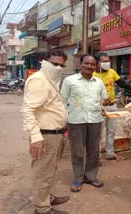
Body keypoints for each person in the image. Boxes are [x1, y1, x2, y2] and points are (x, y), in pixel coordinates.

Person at [21, 50, 69, 214]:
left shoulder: (51, 80)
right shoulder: (39, 80)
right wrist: (36, 137)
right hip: (44, 136)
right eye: (54, 64)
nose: (58, 68)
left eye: (61, 65)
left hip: (55, 134)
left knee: (50, 170)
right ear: (44, 61)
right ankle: (42, 209)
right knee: (42, 173)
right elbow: (28, 110)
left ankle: (48, 198)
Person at [61, 54, 108, 193]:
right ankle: (77, 178)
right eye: (86, 63)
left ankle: (91, 176)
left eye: (92, 64)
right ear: (80, 64)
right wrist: (63, 121)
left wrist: (103, 104)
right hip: (76, 120)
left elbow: (103, 98)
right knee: (77, 151)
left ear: (96, 66)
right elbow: (62, 101)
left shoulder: (99, 82)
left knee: (94, 151)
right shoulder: (69, 80)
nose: (89, 66)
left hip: (95, 120)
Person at [93, 52, 131, 160]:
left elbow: (121, 82)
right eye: (104, 61)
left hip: (113, 106)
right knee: (98, 133)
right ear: (97, 63)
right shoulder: (93, 75)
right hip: (100, 107)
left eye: (108, 61)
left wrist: (130, 85)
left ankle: (110, 153)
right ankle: (96, 156)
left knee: (111, 130)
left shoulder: (112, 72)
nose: (107, 63)